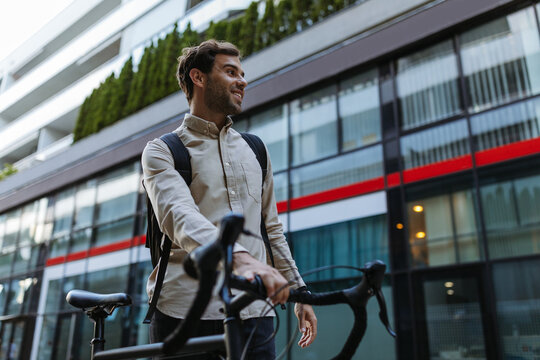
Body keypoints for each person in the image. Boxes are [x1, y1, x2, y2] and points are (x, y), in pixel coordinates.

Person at [142, 39, 317, 359]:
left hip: (255, 313)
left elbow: (271, 229)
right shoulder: (163, 150)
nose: (242, 80)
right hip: (186, 312)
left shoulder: (255, 149)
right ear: (199, 77)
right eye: (230, 71)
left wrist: (299, 291)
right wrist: (243, 260)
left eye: (242, 73)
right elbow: (178, 216)